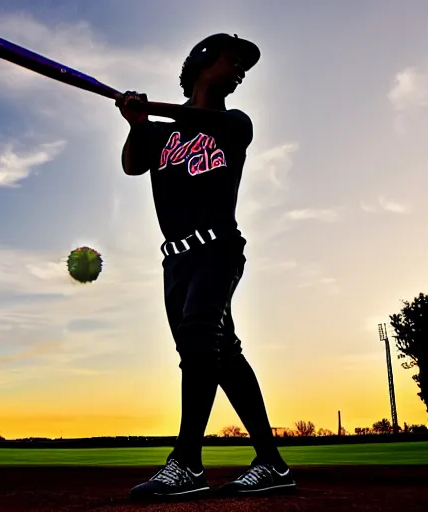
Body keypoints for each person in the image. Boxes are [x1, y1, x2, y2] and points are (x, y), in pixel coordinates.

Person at [116, 33, 296, 500]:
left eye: (244, 65)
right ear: (201, 61)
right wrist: (138, 123)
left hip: (218, 249)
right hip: (175, 261)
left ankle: (187, 463)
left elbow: (211, 124)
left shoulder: (235, 123)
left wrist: (151, 107)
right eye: (232, 59)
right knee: (224, 355)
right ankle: (272, 464)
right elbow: (133, 166)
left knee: (199, 336)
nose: (240, 68)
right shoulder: (159, 132)